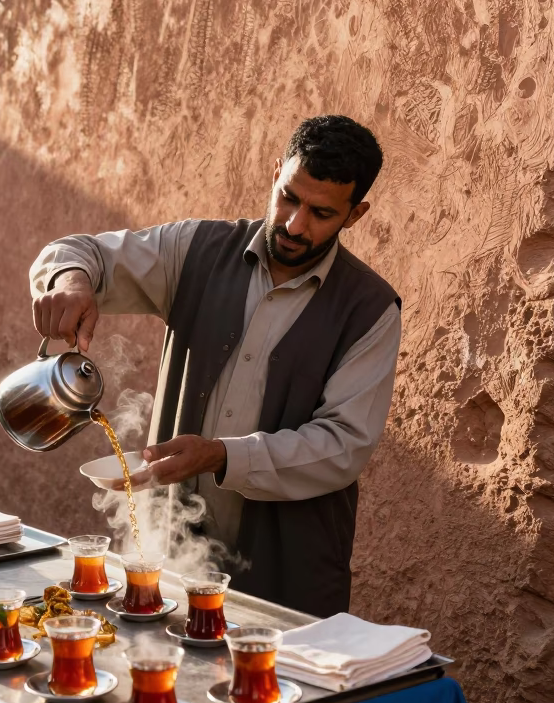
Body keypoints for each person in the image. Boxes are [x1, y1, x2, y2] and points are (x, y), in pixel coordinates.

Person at [30, 116, 401, 618]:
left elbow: (343, 445)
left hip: (289, 571)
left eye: (320, 213)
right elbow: (81, 251)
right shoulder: (196, 251)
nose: (295, 224)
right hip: (171, 556)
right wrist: (72, 281)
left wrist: (221, 456)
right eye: (289, 197)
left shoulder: (370, 309)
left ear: (355, 215)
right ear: (275, 174)